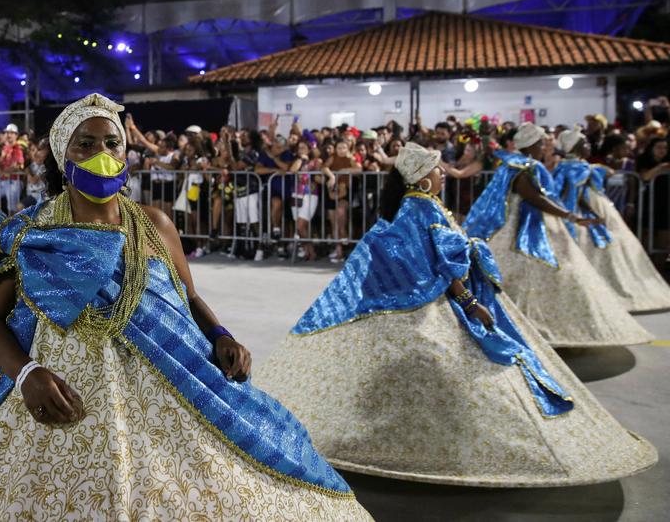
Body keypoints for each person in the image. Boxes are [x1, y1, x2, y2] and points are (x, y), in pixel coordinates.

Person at [0, 94, 371, 521]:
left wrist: (220, 334)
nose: (102, 156)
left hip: (172, 382)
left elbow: (187, 296)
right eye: (86, 144)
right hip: (60, 399)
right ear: (63, 157)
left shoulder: (154, 224)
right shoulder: (33, 232)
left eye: (113, 144)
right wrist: (26, 374)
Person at [253, 142, 657, 487]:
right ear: (421, 176)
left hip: (430, 294)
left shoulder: (416, 206)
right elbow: (442, 262)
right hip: (436, 299)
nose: (444, 173)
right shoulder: (422, 208)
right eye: (437, 168)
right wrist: (467, 301)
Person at [464, 123, 651, 347]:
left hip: (528, 222)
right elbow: (536, 198)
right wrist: (570, 216)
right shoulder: (525, 166)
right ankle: (525, 324)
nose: (544, 147)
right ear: (532, 144)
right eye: (541, 143)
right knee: (531, 271)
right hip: (526, 227)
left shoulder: (514, 163)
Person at [553, 130, 670, 312]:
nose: (589, 147)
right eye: (585, 144)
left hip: (592, 208)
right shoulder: (576, 168)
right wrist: (586, 215)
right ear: (576, 147)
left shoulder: (573, 166)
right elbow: (573, 195)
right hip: (582, 211)